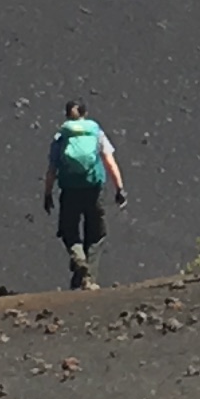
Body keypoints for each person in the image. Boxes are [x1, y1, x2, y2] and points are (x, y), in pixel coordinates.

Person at [41, 95, 124, 287]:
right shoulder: (96, 132)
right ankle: (89, 280)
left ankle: (78, 259)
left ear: (66, 115)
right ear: (85, 114)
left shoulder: (61, 137)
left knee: (69, 229)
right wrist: (119, 188)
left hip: (70, 190)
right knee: (96, 234)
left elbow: (52, 169)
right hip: (94, 189)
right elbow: (109, 162)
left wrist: (47, 194)